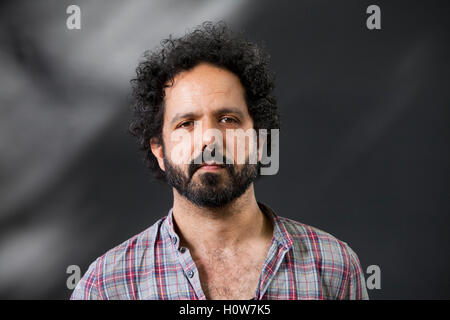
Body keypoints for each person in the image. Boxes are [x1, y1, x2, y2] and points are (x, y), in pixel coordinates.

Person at [71, 21, 368, 300]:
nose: (210, 139)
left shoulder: (334, 269)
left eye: (228, 119)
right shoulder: (107, 286)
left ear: (259, 141)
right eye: (186, 123)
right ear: (159, 151)